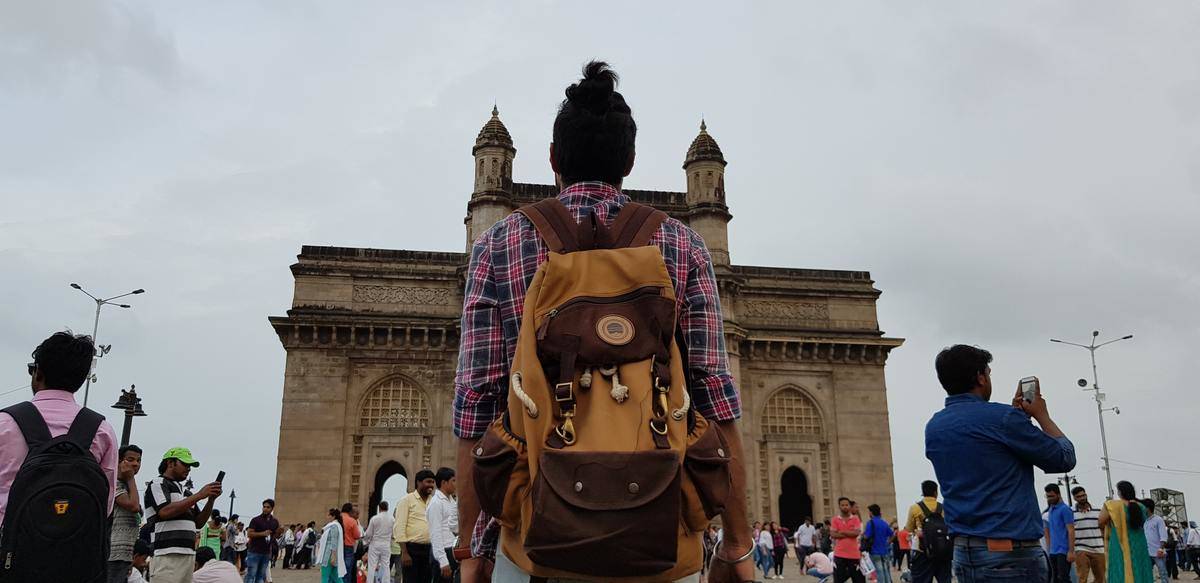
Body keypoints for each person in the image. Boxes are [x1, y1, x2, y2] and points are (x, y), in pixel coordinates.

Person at [452, 61, 753, 583]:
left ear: (552, 158)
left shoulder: (497, 244)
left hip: (532, 545)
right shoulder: (682, 245)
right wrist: (738, 544)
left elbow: (475, 404)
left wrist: (469, 545)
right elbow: (716, 401)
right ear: (630, 161)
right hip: (660, 540)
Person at [925, 345, 1076, 581]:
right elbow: (1064, 458)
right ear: (980, 377)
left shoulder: (934, 427)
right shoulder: (1004, 419)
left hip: (964, 552)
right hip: (1011, 554)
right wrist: (1040, 416)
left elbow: (983, 455)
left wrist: (1018, 420)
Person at [0, 332, 120, 573]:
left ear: (38, 372)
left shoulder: (5, 423)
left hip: (9, 551)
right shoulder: (101, 430)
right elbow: (106, 504)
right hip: (75, 556)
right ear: (82, 379)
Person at [144, 447, 223, 583]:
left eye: (190, 466)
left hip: (188, 554)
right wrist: (199, 495)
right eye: (185, 464)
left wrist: (211, 499)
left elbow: (199, 522)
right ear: (170, 463)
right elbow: (164, 511)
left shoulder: (186, 493)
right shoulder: (157, 483)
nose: (188, 469)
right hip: (166, 554)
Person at [1099, 481, 1153, 582]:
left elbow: (1101, 521)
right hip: (1139, 544)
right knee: (1140, 568)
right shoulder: (1141, 507)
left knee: (1120, 568)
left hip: (1119, 543)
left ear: (1120, 492)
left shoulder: (1112, 505)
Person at [108, 444, 144, 583]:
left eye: (139, 460)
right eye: (130, 459)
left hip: (124, 555)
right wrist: (130, 478)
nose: (135, 464)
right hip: (113, 553)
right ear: (119, 461)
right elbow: (133, 506)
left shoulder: (128, 487)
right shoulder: (113, 483)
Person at [394, 469, 435, 583]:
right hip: (412, 550)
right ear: (419, 482)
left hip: (430, 550)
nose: (431, 485)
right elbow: (400, 527)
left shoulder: (434, 502)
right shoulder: (406, 500)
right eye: (428, 482)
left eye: (433, 482)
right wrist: (405, 553)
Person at [905, 481, 950, 583]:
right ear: (936, 492)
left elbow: (909, 528)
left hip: (923, 551)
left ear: (923, 492)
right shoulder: (943, 508)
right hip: (942, 551)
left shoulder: (915, 508)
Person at [426, 467, 459, 583]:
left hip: (453, 551)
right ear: (444, 483)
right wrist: (443, 562)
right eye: (453, 480)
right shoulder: (436, 503)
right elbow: (435, 534)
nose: (456, 484)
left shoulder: (452, 501)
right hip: (442, 553)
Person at [1071, 486, 1106, 583]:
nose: (1082, 498)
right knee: (1082, 578)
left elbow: (1104, 527)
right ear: (1074, 498)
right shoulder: (1071, 512)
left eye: (1083, 495)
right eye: (1079, 496)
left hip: (1098, 548)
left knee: (1101, 578)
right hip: (1081, 548)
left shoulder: (1098, 510)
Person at [1045, 483, 1077, 583]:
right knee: (1055, 579)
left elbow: (1071, 530)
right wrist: (1049, 549)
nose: (1050, 498)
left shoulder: (1065, 509)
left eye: (1052, 496)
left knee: (1064, 578)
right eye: (1048, 496)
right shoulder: (1050, 510)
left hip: (1063, 550)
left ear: (1058, 494)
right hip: (1053, 551)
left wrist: (1071, 551)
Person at [244, 498, 281, 582]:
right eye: (264, 507)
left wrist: (279, 532)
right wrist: (262, 533)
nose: (265, 509)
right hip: (254, 552)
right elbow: (249, 534)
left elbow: (275, 536)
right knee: (251, 575)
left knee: (261, 576)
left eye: (268, 507)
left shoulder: (274, 521)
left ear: (272, 509)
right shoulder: (256, 520)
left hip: (266, 553)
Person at [829, 497, 865, 583]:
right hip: (839, 554)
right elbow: (833, 534)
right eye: (842, 505)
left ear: (849, 506)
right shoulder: (835, 520)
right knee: (838, 580)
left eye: (846, 505)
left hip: (854, 555)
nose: (845, 507)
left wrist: (842, 531)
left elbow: (856, 533)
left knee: (858, 579)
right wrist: (849, 533)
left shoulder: (855, 518)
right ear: (839, 506)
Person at [363, 500, 396, 583]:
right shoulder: (392, 519)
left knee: (372, 566)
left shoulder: (375, 518)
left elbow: (369, 533)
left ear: (379, 508)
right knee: (386, 566)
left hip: (375, 544)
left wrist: (365, 542)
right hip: (386, 544)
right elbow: (394, 534)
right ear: (388, 508)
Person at [865, 504, 894, 583]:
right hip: (885, 551)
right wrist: (887, 543)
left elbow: (866, 536)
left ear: (871, 512)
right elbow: (892, 534)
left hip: (874, 551)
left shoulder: (870, 523)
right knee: (886, 571)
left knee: (879, 571)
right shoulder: (884, 523)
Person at [317, 508, 348, 583]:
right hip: (332, 554)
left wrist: (333, 556)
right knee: (336, 577)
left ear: (333, 516)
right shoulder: (335, 526)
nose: (327, 517)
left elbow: (334, 542)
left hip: (328, 554)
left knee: (325, 577)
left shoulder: (334, 526)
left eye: (329, 515)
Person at [1141, 498, 1168, 583]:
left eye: (1142, 507)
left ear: (1147, 508)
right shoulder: (1145, 521)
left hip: (1157, 552)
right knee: (1147, 573)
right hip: (1147, 552)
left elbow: (1163, 536)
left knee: (1162, 572)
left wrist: (1160, 549)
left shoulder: (1158, 520)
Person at [339, 502, 363, 583]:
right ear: (350, 511)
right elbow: (357, 535)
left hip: (337, 547)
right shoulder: (351, 521)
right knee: (347, 569)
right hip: (348, 547)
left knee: (337, 568)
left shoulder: (336, 519)